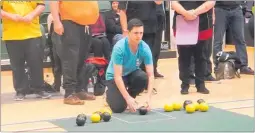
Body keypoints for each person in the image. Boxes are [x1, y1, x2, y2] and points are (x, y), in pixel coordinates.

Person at [50, 1, 98, 105]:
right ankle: (69, 93)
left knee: (82, 57)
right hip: (70, 22)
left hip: (86, 24)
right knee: (71, 58)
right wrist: (57, 21)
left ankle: (79, 89)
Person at [1, 1, 51, 100]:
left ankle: (39, 89)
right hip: (12, 34)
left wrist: (31, 15)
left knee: (36, 62)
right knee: (17, 64)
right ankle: (20, 91)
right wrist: (11, 16)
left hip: (32, 33)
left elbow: (40, 5)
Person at [105, 18, 154, 113]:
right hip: (114, 77)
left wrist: (148, 97)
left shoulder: (145, 48)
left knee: (142, 77)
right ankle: (109, 94)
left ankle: (131, 97)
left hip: (130, 74)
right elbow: (117, 76)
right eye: (136, 33)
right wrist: (127, 98)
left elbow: (151, 75)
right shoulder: (119, 48)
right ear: (128, 33)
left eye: (141, 33)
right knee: (118, 108)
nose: (139, 36)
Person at [172, 1, 215, 95]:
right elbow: (173, 3)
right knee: (184, 56)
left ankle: (201, 84)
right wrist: (185, 13)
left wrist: (194, 13)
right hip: (182, 20)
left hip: (203, 22)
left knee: (202, 55)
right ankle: (184, 85)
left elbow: (211, 2)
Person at [118, 1, 164, 78]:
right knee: (137, 56)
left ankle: (149, 76)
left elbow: (159, 2)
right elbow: (122, 10)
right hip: (135, 26)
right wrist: (125, 30)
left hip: (154, 25)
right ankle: (139, 79)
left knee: (153, 52)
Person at [213, 1, 254, 75]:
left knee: (240, 40)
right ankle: (218, 66)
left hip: (236, 9)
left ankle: (243, 66)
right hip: (220, 9)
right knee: (218, 40)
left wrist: (247, 8)